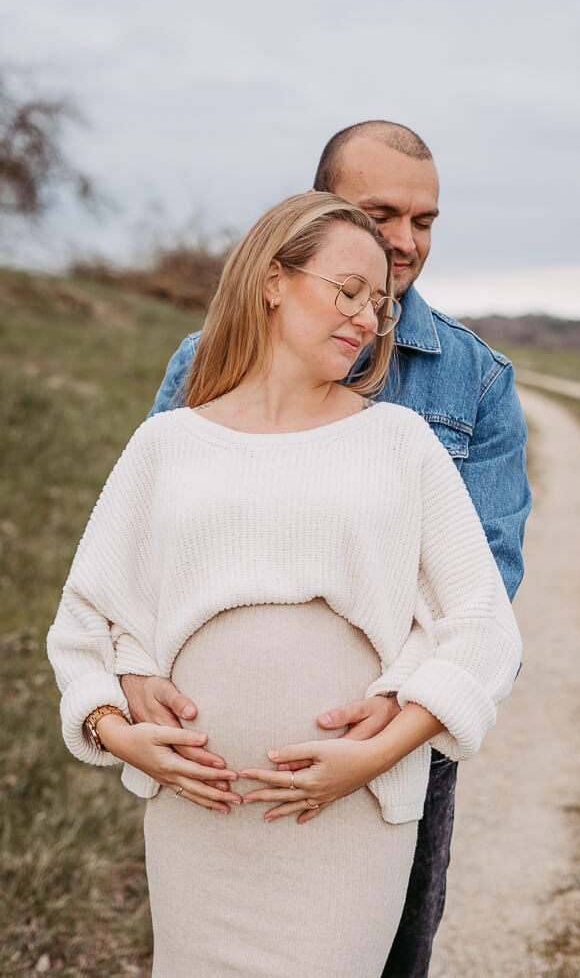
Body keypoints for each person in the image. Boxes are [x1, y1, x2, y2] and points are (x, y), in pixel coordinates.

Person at [47, 192, 522, 978]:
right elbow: (85, 620)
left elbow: (480, 626)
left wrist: (377, 754)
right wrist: (114, 728)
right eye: (347, 292)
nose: (368, 319)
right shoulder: (168, 442)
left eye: (380, 304)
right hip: (198, 819)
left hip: (346, 815)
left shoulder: (398, 443)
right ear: (273, 280)